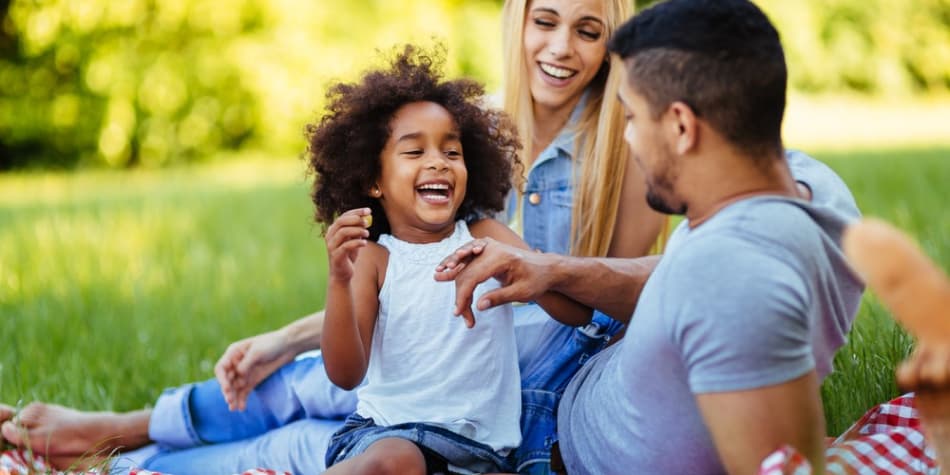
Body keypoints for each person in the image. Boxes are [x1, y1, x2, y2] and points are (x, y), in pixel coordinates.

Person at [0, 1, 667, 473]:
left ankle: (124, 456)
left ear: (612, 41)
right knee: (309, 382)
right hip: (424, 352)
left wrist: (538, 273)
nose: (561, 48)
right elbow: (402, 280)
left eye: (588, 30)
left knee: (307, 430)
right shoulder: (472, 124)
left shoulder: (625, 150)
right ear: (515, 20)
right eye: (544, 21)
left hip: (515, 375)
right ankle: (120, 435)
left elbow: (612, 304)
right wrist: (287, 334)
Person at [434, 0, 865, 473]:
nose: (628, 140)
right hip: (569, 379)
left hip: (543, 436)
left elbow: (775, 456)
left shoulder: (736, 280)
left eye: (632, 118)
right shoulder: (817, 191)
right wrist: (552, 268)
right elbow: (673, 281)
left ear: (681, 126)